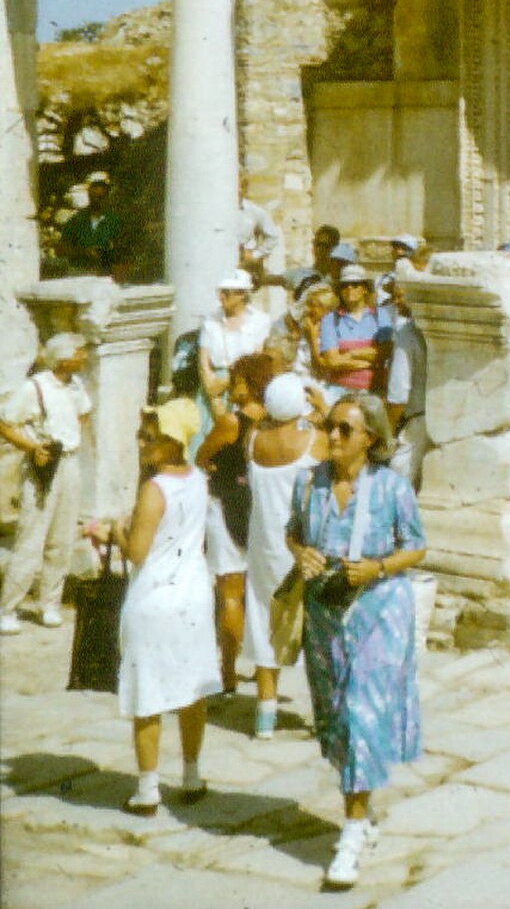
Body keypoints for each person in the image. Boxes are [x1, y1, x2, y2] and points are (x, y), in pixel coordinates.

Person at [286, 392, 426, 890]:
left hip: (378, 611)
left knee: (361, 712)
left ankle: (350, 832)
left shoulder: (391, 488)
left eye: (345, 429)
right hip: (325, 614)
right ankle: (361, 814)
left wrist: (377, 567)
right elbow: (293, 533)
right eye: (331, 426)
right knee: (334, 717)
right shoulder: (309, 483)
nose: (334, 436)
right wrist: (301, 554)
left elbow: (416, 546)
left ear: (370, 438)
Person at [102, 403, 222, 815]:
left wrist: (116, 531)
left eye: (150, 437)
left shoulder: (154, 489)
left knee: (148, 692)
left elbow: (137, 552)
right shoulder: (199, 480)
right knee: (192, 690)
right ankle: (192, 774)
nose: (142, 443)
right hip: (193, 595)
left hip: (154, 598)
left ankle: (148, 788)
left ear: (173, 442)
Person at [242, 373, 327, 740]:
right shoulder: (314, 440)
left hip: (263, 542)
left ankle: (265, 712)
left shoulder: (253, 439)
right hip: (301, 543)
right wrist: (322, 410)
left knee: (263, 617)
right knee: (315, 624)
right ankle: (322, 712)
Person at [0, 332, 92, 632]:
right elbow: (5, 423)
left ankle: (49, 603)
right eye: (79, 352)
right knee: (31, 537)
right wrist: (33, 446)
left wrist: (67, 439)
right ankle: (8, 608)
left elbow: (84, 413)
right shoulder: (35, 387)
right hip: (43, 467)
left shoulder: (76, 385)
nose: (84, 356)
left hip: (69, 463)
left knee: (62, 538)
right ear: (63, 358)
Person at [196, 351, 276, 694]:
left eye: (237, 380)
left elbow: (201, 455)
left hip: (226, 503)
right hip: (260, 507)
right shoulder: (273, 422)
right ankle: (262, 668)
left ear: (250, 384)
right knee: (259, 591)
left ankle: (227, 670)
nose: (230, 386)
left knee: (229, 591)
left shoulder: (232, 422)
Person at [198, 270, 272, 414]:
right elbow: (203, 365)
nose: (221, 297)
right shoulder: (210, 321)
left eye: (226, 293)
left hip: (245, 391)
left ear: (242, 294)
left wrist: (223, 384)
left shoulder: (260, 321)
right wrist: (214, 399)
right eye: (220, 292)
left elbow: (255, 363)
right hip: (212, 395)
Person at [317, 266, 395, 398]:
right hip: (339, 390)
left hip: (374, 390)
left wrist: (350, 354)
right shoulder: (330, 319)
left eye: (355, 285)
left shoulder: (380, 315)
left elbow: (385, 351)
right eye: (345, 285)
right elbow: (332, 361)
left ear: (364, 289)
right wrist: (368, 362)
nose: (349, 289)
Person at [385, 277, 429, 490]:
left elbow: (398, 395)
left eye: (400, 296)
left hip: (415, 422)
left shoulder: (406, 336)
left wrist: (387, 433)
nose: (395, 302)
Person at [57, 172, 125, 276]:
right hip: (79, 273)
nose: (98, 195)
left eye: (101, 195)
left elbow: (123, 249)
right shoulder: (76, 220)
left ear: (107, 194)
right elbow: (60, 250)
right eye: (94, 189)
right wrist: (83, 252)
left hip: (106, 274)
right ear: (88, 193)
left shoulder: (114, 220)